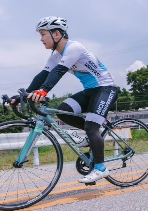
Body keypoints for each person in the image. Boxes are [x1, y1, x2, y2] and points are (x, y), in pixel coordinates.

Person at [12, 16, 118, 183]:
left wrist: (43, 91)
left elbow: (58, 72)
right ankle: (92, 137)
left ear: (56, 34)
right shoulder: (55, 56)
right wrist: (21, 96)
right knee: (63, 111)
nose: (41, 39)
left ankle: (100, 168)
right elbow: (43, 75)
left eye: (42, 34)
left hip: (105, 89)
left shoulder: (74, 47)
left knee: (91, 127)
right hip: (90, 91)